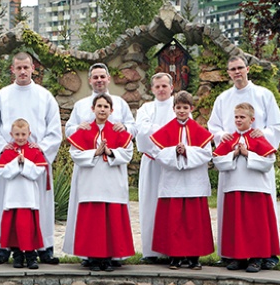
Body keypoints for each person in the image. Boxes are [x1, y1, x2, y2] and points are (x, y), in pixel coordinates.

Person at [0, 52, 62, 265]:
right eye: (18, 68)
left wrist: (39, 150)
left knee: (39, 206)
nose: (23, 72)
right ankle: (4, 247)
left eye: (26, 67)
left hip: (35, 162)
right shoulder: (2, 96)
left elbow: (54, 131)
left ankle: (43, 247)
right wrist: (5, 150)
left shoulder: (45, 96)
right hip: (9, 163)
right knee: (6, 205)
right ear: (12, 70)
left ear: (33, 68)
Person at [207, 55, 280, 270]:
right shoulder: (223, 98)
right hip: (232, 162)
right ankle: (234, 253)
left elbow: (278, 126)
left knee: (258, 212)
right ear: (228, 72)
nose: (237, 72)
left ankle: (265, 253)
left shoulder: (263, 94)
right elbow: (213, 126)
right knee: (234, 212)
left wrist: (264, 133)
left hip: (256, 160)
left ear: (248, 69)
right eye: (232, 69)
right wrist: (222, 135)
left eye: (240, 68)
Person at [63, 62, 135, 262]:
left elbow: (132, 130)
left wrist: (123, 128)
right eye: (95, 77)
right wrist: (80, 128)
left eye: (102, 76)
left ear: (109, 79)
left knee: (112, 212)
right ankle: (89, 253)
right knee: (91, 214)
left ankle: (114, 255)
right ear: (90, 81)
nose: (99, 80)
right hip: (90, 171)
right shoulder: (80, 105)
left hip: (112, 171)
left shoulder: (120, 103)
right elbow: (69, 132)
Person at [213, 103, 280, 273]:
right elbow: (217, 162)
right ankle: (238, 257)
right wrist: (234, 154)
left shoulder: (258, 138)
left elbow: (268, 162)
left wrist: (247, 154)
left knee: (255, 226)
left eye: (242, 117)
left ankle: (256, 259)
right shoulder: (230, 139)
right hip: (234, 187)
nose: (238, 120)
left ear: (252, 120)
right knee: (236, 225)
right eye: (236, 117)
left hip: (255, 188)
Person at [150, 91, 214, 270]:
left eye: (185, 108)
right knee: (174, 220)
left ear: (191, 108)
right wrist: (173, 152)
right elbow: (157, 153)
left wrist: (187, 151)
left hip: (194, 182)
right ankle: (175, 256)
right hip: (173, 181)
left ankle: (194, 257)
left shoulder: (200, 131)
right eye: (178, 108)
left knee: (194, 221)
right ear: (173, 109)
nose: (182, 111)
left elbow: (207, 153)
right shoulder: (165, 130)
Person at [134, 73, 176, 263]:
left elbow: (182, 130)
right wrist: (164, 133)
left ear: (171, 87)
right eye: (157, 86)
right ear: (152, 89)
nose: (161, 90)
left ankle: (171, 249)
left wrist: (156, 130)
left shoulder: (179, 106)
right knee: (149, 204)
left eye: (164, 86)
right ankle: (150, 251)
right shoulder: (146, 108)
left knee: (171, 207)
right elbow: (141, 131)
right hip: (151, 162)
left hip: (173, 164)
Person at [0, 118, 48, 269]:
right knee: (14, 227)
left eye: (23, 134)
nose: (20, 138)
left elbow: (39, 171)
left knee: (28, 227)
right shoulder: (7, 151)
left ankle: (31, 256)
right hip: (13, 195)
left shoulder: (34, 150)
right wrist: (16, 163)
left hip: (28, 196)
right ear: (11, 134)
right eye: (17, 134)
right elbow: (2, 171)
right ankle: (17, 255)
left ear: (29, 134)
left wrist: (24, 163)